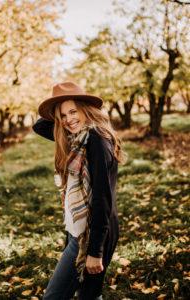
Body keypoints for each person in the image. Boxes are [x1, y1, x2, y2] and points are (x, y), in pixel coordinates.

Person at [32, 81, 125, 300]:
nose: (68, 120)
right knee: (88, 294)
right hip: (78, 227)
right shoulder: (77, 139)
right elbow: (40, 126)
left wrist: (95, 252)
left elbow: (103, 199)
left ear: (85, 109)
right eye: (62, 116)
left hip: (93, 233)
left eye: (73, 111)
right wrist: (56, 109)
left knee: (54, 296)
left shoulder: (96, 141)